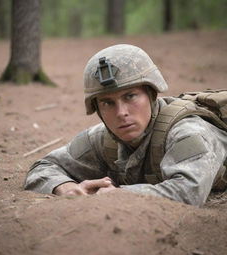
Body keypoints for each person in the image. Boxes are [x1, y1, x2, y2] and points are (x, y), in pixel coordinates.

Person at [24, 44, 227, 206]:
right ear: (97, 109)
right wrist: (64, 186)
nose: (121, 113)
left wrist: (119, 195)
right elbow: (44, 166)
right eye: (107, 103)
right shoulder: (102, 138)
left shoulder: (188, 132)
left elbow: (189, 191)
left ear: (151, 95)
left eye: (130, 96)